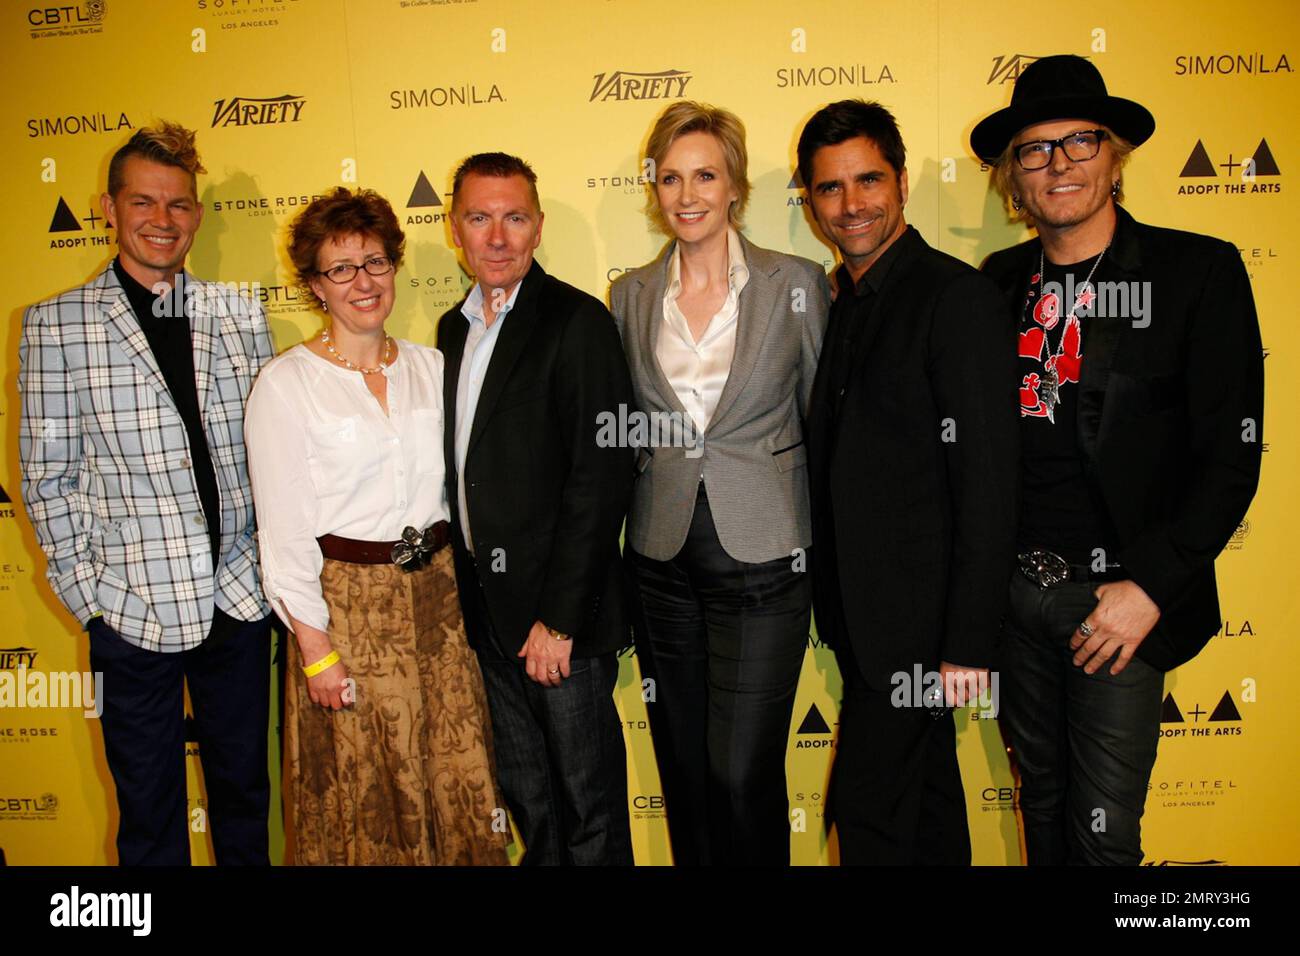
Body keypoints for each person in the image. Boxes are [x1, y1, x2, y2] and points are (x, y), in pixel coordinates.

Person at [971, 55, 1264, 865]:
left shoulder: (1193, 273)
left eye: (1079, 142)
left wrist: (1149, 588)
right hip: (1015, 601)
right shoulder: (995, 285)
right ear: (1014, 178)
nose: (1058, 164)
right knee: (1044, 816)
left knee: (1103, 841)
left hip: (1118, 606)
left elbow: (1232, 456)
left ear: (1115, 154)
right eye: (1035, 149)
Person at [18, 122, 275, 865]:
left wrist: (265, 572)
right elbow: (47, 475)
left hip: (237, 596)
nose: (162, 221)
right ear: (108, 207)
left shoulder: (238, 311)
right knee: (150, 816)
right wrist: (87, 595)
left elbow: (266, 450)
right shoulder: (56, 324)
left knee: (245, 802)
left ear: (197, 214)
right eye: (143, 202)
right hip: (131, 609)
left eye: (180, 205)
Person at [244, 187, 507, 866]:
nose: (363, 282)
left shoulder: (433, 367)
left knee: (459, 779)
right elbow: (282, 528)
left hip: (443, 606)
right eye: (341, 268)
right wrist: (315, 648)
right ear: (314, 286)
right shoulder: (286, 384)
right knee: (370, 791)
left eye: (375, 262)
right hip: (350, 613)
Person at [797, 100, 1020, 865]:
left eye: (869, 180)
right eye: (831, 188)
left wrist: (966, 645)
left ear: (899, 181)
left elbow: (990, 483)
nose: (852, 204)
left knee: (868, 817)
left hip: (927, 636)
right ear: (809, 200)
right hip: (866, 628)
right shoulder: (843, 303)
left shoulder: (955, 298)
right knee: (922, 812)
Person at [609, 101, 829, 866]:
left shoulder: (796, 282)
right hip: (662, 559)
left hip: (767, 559)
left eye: (704, 174)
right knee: (686, 768)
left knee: (741, 770)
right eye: (670, 178)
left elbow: (823, 421)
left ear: (734, 184)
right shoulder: (631, 295)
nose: (687, 194)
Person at [437, 153, 635, 865]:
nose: (497, 236)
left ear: (538, 227)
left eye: (514, 218)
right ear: (455, 228)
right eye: (480, 218)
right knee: (531, 802)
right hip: (487, 617)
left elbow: (601, 477)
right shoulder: (452, 330)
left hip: (560, 622)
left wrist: (561, 620)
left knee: (590, 812)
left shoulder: (576, 321)